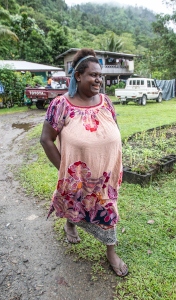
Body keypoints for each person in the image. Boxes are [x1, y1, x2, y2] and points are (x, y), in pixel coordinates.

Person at [40, 48, 128, 277]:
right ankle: (72, 225)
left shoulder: (106, 102)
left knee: (108, 210)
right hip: (78, 177)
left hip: (105, 178)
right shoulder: (61, 105)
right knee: (74, 203)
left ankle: (110, 251)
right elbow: (46, 140)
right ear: (78, 76)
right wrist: (65, 170)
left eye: (100, 75)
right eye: (93, 75)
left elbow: (114, 132)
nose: (98, 79)